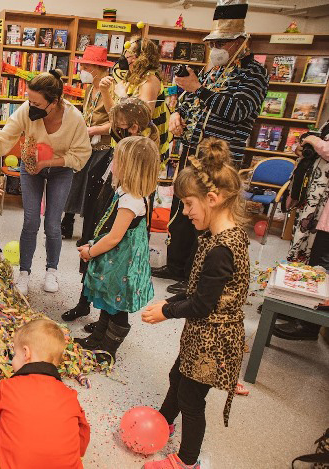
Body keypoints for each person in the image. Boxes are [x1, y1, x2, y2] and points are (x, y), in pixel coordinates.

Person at [141, 138, 249, 469]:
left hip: (213, 341)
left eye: (189, 205)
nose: (185, 213)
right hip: (202, 336)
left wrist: (166, 310)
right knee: (178, 377)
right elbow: (200, 291)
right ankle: (162, 420)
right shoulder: (216, 237)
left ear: (212, 199)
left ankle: (187, 461)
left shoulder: (220, 250)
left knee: (191, 398)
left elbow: (202, 305)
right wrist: (173, 301)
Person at [152, 0, 267, 295]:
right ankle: (176, 266)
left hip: (221, 162)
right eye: (213, 41)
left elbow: (240, 110)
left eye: (222, 42)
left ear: (242, 42)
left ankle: (195, 276)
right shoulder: (213, 70)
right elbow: (189, 101)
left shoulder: (254, 74)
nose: (215, 46)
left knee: (207, 218)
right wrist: (177, 114)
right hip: (192, 156)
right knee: (184, 211)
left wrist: (198, 90)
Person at [0, 70, 91, 294]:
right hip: (30, 167)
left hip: (60, 170)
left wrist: (48, 162)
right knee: (30, 221)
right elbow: (6, 136)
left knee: (53, 224)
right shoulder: (27, 110)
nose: (30, 105)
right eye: (29, 99)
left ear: (54, 102)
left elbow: (82, 155)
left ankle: (51, 270)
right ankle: (24, 272)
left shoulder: (74, 119)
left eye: (36, 102)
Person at [62, 98, 160, 328]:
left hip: (120, 202)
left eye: (120, 123)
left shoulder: (140, 149)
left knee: (109, 260)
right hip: (109, 193)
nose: (115, 126)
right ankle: (85, 302)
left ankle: (105, 319)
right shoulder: (126, 138)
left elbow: (116, 235)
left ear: (134, 126)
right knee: (93, 241)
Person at [0, 319, 90, 469]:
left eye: (15, 354)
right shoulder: (70, 396)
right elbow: (83, 437)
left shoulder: (9, 387)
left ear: (26, 353)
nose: (13, 360)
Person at [76, 136, 159, 362]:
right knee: (109, 301)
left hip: (121, 263)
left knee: (117, 308)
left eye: (117, 160)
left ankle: (108, 351)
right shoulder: (126, 192)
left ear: (130, 167)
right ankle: (98, 339)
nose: (112, 164)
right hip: (117, 258)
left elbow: (114, 238)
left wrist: (90, 252)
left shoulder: (131, 200)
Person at [275, 123, 329, 340]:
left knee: (320, 265)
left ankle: (308, 325)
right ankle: (294, 307)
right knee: (305, 258)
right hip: (315, 206)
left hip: (324, 213)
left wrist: (316, 143)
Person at [61, 45, 114, 239]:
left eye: (84, 66)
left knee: (93, 188)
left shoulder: (111, 89)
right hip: (87, 144)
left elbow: (117, 121)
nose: (81, 70)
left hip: (104, 147)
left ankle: (91, 231)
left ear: (96, 68)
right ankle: (67, 222)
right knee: (74, 180)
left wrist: (95, 130)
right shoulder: (90, 89)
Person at [100, 35, 171, 158]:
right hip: (126, 145)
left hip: (141, 150)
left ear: (141, 56)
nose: (126, 55)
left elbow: (142, 118)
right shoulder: (131, 78)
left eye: (130, 51)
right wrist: (105, 91)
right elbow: (115, 114)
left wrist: (123, 96)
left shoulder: (150, 79)